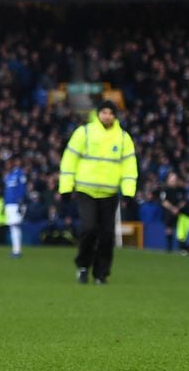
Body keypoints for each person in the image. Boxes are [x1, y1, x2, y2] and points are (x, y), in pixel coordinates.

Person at [58, 99, 138, 285]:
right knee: (89, 229)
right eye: (104, 112)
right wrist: (66, 188)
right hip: (86, 190)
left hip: (110, 194)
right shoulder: (84, 133)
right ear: (98, 113)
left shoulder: (123, 138)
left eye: (110, 113)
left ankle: (101, 273)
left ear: (115, 116)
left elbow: (129, 166)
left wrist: (128, 192)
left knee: (107, 235)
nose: (107, 116)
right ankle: (83, 265)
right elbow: (69, 160)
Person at [3, 154, 28, 258]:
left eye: (8, 162)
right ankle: (16, 250)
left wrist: (20, 202)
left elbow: (22, 188)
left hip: (15, 204)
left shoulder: (19, 174)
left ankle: (17, 251)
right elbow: (6, 190)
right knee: (13, 227)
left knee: (15, 226)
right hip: (9, 204)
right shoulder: (8, 176)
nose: (7, 165)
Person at [158, 171, 188, 251]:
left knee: (180, 229)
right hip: (169, 211)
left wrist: (177, 208)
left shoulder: (180, 190)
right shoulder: (165, 190)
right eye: (171, 178)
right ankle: (169, 246)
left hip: (180, 212)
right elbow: (164, 201)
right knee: (169, 227)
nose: (173, 180)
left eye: (175, 178)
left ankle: (181, 246)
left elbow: (184, 201)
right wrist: (172, 209)